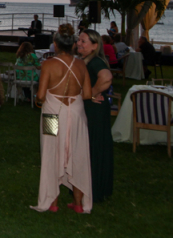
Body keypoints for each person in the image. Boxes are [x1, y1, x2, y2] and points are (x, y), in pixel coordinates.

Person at [32, 24, 93, 214]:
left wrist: (38, 101)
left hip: (52, 113)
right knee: (78, 153)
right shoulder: (81, 64)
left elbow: (41, 95)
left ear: (56, 44)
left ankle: (53, 202)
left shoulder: (49, 64)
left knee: (51, 151)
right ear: (73, 44)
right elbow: (87, 94)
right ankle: (78, 204)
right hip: (76, 115)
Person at [77, 29, 114, 204]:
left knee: (93, 146)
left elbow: (106, 78)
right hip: (92, 107)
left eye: (83, 41)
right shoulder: (87, 61)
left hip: (94, 111)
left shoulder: (95, 61)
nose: (79, 43)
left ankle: (93, 188)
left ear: (94, 45)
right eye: (78, 40)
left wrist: (91, 93)